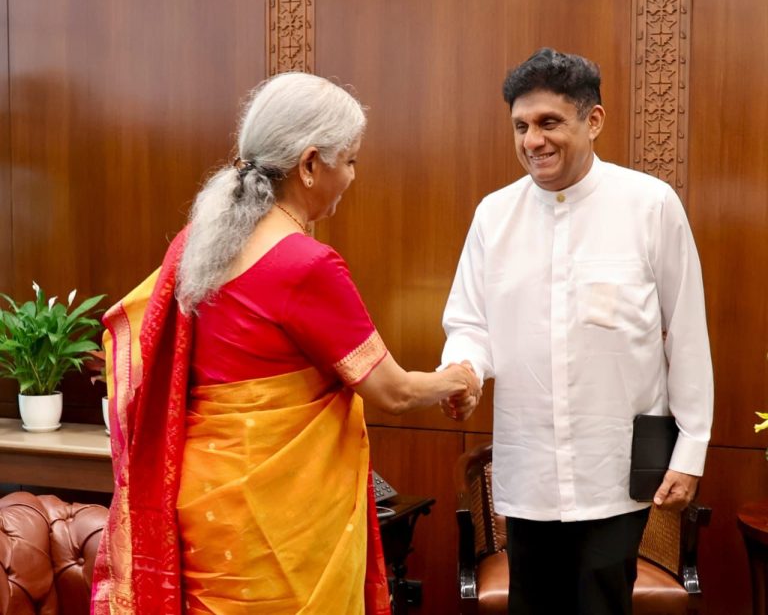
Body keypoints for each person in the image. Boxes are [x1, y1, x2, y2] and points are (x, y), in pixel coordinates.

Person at [91, 72, 480, 615]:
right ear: (310, 164)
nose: (352, 176)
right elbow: (392, 392)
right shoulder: (306, 265)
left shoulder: (195, 245)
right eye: (350, 160)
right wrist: (457, 378)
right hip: (276, 525)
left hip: (203, 507)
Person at [440, 48, 713, 615]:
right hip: (529, 465)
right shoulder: (494, 214)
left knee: (600, 602)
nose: (533, 140)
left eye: (549, 122)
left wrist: (691, 450)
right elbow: (469, 321)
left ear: (593, 121)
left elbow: (686, 331)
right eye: (521, 126)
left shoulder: (650, 205)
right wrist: (463, 369)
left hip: (615, 464)